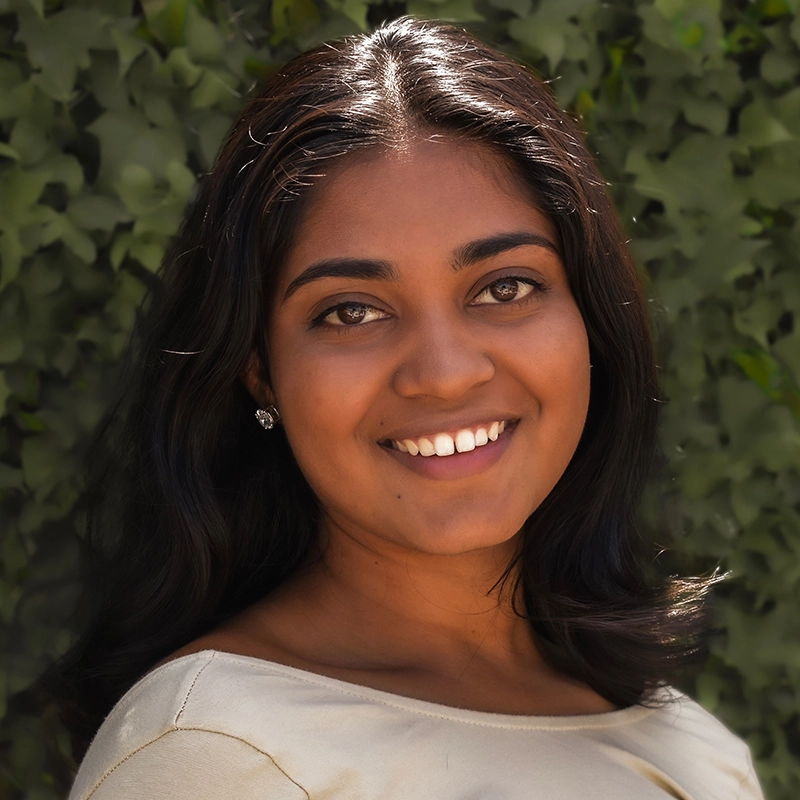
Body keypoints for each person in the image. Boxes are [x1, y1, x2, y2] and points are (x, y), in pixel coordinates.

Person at [59, 16, 762, 799]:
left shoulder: (689, 746)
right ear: (259, 373)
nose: (445, 374)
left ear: (591, 321)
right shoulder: (216, 752)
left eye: (505, 288)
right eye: (352, 311)